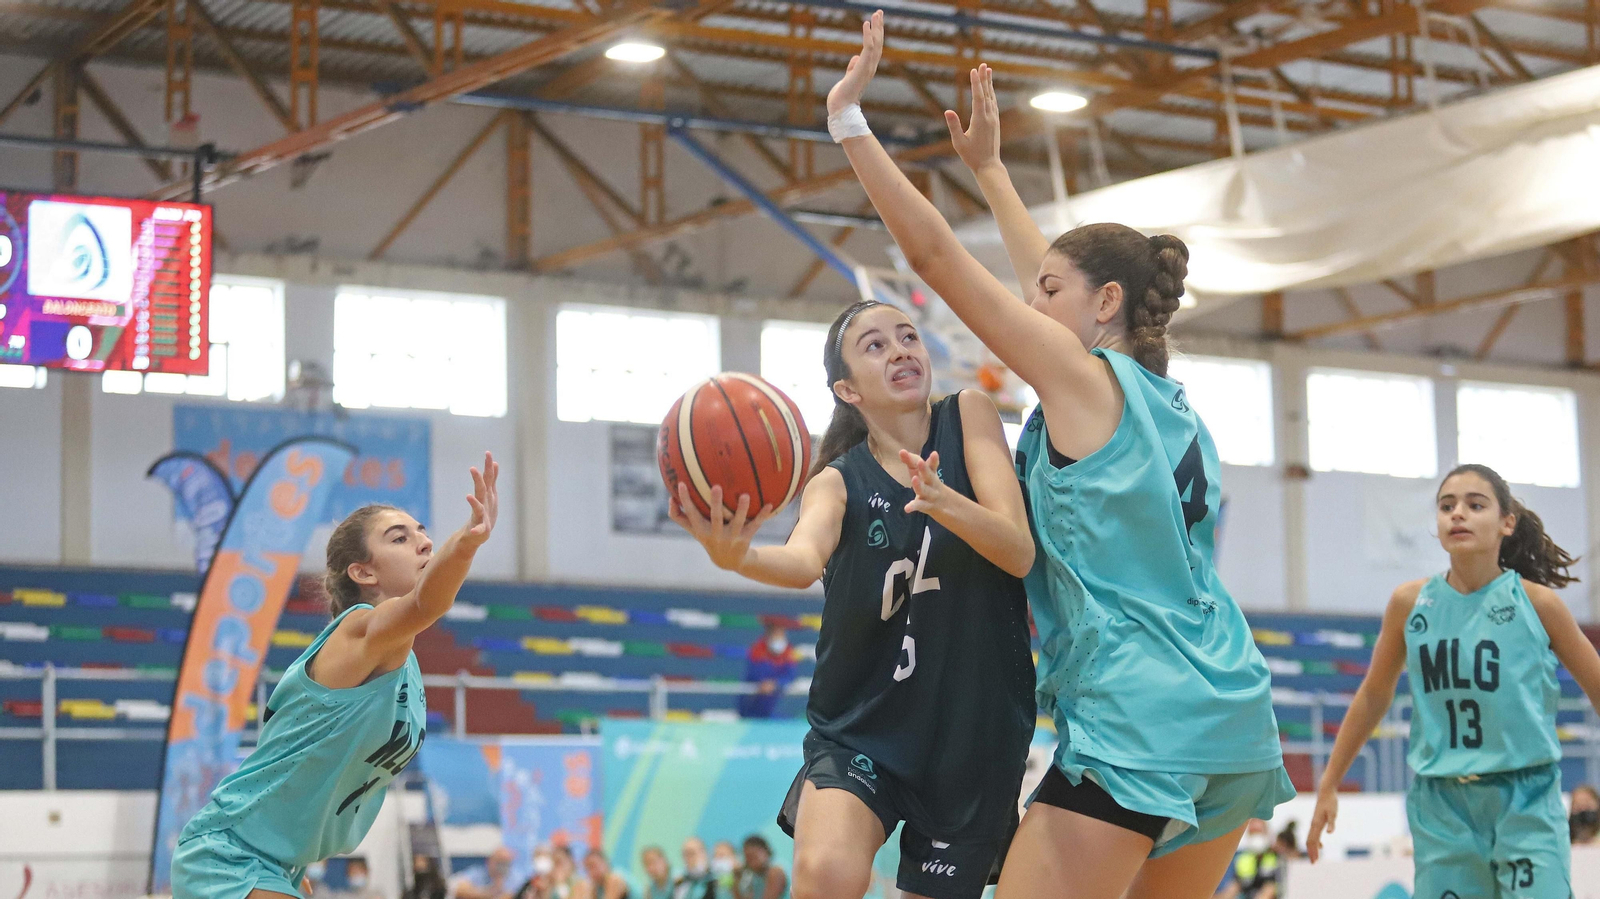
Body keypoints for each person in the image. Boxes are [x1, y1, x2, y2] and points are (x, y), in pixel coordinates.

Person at [822, 19, 1291, 899]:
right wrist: (992, 171)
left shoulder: (1081, 384)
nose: (1030, 303)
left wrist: (850, 124)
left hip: (1138, 714)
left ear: (1105, 303)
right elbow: (1055, 273)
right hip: (1230, 715)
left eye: (1045, 292)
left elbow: (933, 256)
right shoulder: (1170, 406)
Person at [670, 297, 1036, 899]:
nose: (900, 350)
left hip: (973, 735)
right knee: (827, 873)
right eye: (875, 345)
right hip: (865, 728)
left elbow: (1018, 551)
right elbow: (800, 561)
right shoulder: (836, 482)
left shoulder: (969, 413)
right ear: (848, 390)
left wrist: (946, 503)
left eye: (908, 337)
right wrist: (740, 557)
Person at [170, 454, 500, 899]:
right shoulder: (358, 630)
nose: (425, 543)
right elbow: (427, 604)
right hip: (229, 854)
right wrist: (466, 541)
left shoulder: (401, 661)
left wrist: (291, 859)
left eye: (423, 532)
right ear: (363, 572)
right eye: (400, 538)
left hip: (276, 863)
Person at [1307, 463, 1600, 899]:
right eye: (1447, 506)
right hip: (1442, 805)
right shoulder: (1409, 603)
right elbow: (1373, 695)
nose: (1457, 513)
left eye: (1475, 505)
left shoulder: (1538, 604)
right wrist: (1329, 782)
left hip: (1526, 798)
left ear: (1507, 522)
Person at [738, 621, 799, 719]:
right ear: (768, 636)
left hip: (775, 708)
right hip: (752, 705)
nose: (778, 638)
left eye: (781, 635)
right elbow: (754, 674)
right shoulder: (757, 650)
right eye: (775, 635)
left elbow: (790, 676)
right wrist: (763, 684)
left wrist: (776, 684)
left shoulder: (788, 653)